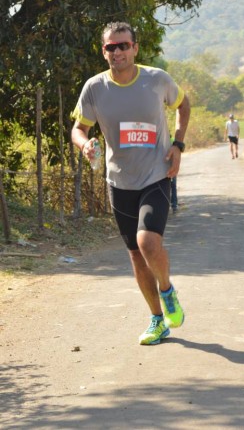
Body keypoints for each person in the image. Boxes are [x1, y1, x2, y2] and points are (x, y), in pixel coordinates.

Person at [71, 21, 190, 346]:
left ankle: (167, 291)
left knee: (148, 244)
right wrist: (85, 144)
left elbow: (183, 104)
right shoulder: (95, 88)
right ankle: (156, 320)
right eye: (111, 47)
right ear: (104, 51)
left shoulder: (156, 79)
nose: (118, 51)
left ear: (135, 48)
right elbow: (78, 128)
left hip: (156, 175)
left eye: (124, 45)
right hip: (119, 182)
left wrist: (177, 145)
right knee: (136, 256)